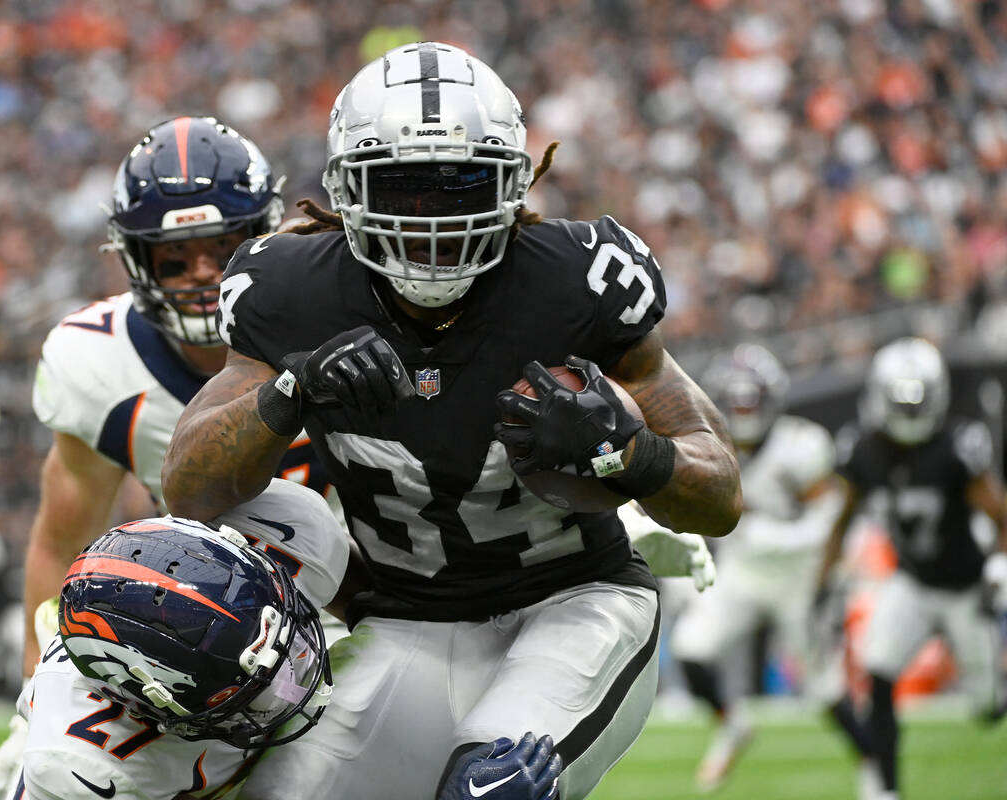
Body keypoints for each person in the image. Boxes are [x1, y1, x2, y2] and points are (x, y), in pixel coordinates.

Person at [162, 42, 742, 800]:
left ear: (514, 184)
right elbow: (190, 491)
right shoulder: (288, 289)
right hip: (407, 625)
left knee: (489, 790)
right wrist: (289, 394)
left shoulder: (578, 280)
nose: (432, 218)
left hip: (572, 604)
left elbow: (721, 492)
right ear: (345, 189)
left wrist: (628, 456)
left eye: (463, 184)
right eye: (402, 189)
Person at [0, 116, 325, 800]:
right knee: (38, 776)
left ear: (264, 239)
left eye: (224, 249)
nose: (202, 274)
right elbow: (61, 539)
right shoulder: (98, 360)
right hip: (184, 622)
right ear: (136, 260)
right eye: (175, 256)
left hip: (330, 618)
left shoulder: (331, 316)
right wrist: (36, 687)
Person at [11, 507, 560, 800]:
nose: (301, 674)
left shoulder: (284, 534)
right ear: (156, 705)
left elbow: (396, 616)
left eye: (290, 638)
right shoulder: (79, 772)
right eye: (265, 683)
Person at [814, 336, 1007, 800]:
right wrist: (824, 583)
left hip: (966, 587)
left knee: (987, 710)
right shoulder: (863, 450)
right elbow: (842, 519)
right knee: (878, 673)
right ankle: (887, 790)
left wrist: (999, 566)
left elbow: (1000, 514)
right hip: (912, 582)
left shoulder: (958, 446)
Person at [666, 343, 854, 791]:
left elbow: (828, 517)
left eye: (750, 400)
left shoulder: (801, 445)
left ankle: (874, 771)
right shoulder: (709, 444)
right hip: (744, 573)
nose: (743, 410)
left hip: (797, 578)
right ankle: (733, 725)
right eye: (735, 401)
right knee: (691, 649)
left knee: (824, 690)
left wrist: (771, 535)